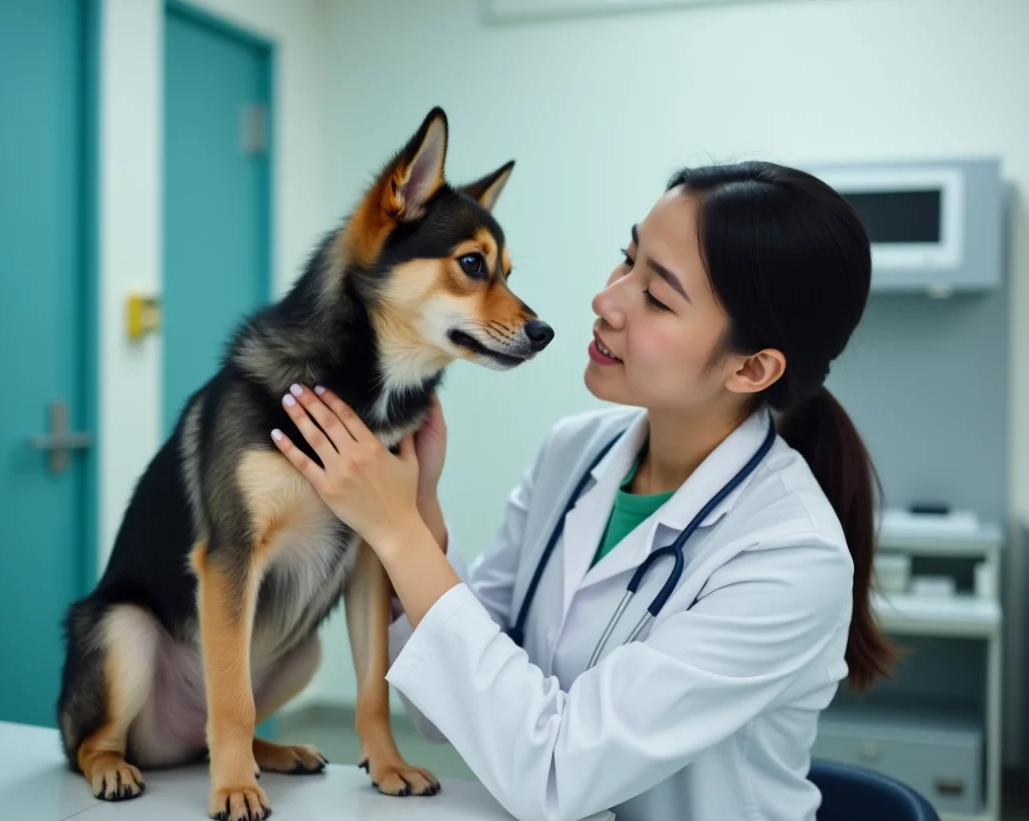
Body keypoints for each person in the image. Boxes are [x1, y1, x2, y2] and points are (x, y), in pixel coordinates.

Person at [270, 160, 897, 821]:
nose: (608, 300)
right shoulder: (576, 451)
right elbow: (444, 706)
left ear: (751, 367)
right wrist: (421, 508)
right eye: (627, 259)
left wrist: (397, 532)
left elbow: (555, 775)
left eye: (657, 297)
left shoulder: (792, 558)